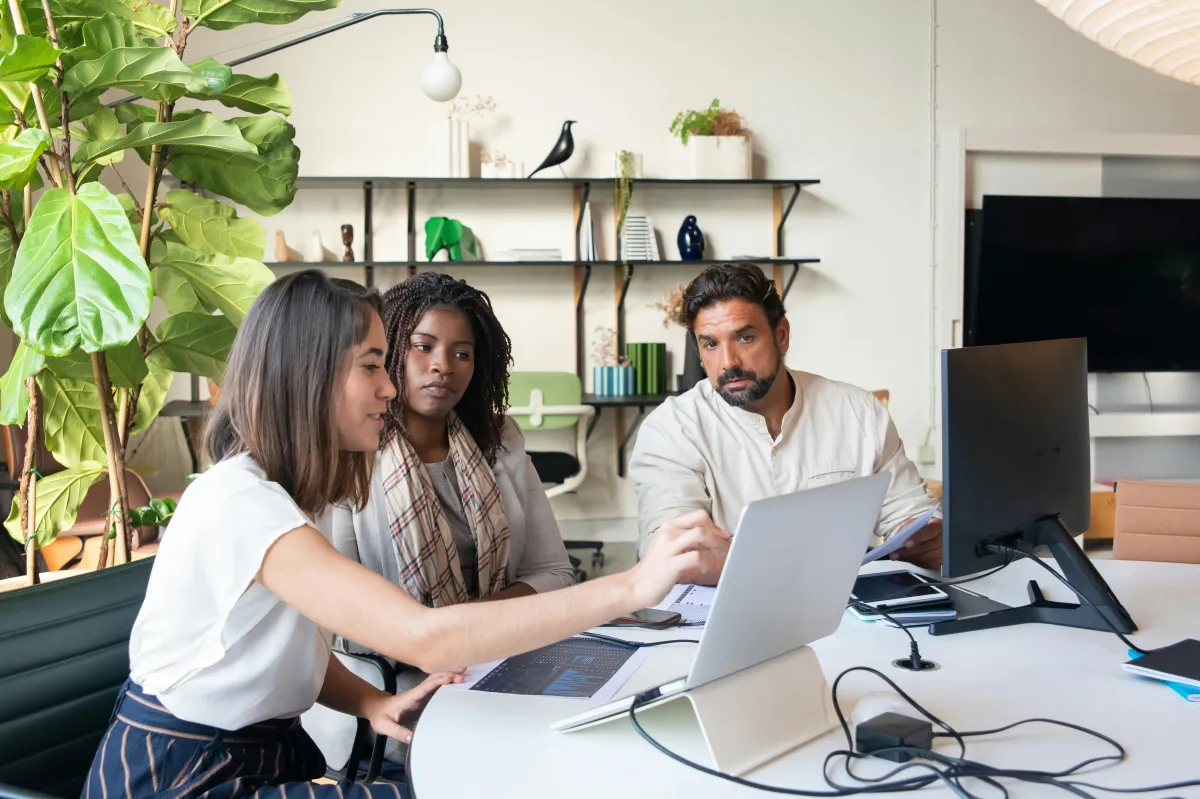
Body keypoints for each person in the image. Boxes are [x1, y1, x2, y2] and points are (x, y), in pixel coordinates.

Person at [84, 271, 708, 798]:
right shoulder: (241, 502)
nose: (390, 387)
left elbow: (274, 649)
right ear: (309, 376)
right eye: (374, 366)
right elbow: (424, 636)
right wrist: (634, 585)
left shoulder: (290, 493)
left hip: (263, 751)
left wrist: (369, 703)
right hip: (185, 775)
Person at [629, 262, 941, 586]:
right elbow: (671, 552)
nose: (728, 362)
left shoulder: (860, 413)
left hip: (847, 615)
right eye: (710, 344)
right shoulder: (671, 429)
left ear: (781, 335)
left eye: (745, 338)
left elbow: (913, 515)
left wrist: (922, 538)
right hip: (723, 618)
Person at [333, 272, 575, 608]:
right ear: (389, 349)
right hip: (393, 656)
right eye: (423, 347)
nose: (442, 366)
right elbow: (340, 606)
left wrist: (467, 625)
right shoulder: (350, 452)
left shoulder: (500, 439)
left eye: (462, 354)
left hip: (500, 642)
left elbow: (555, 573)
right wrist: (444, 634)